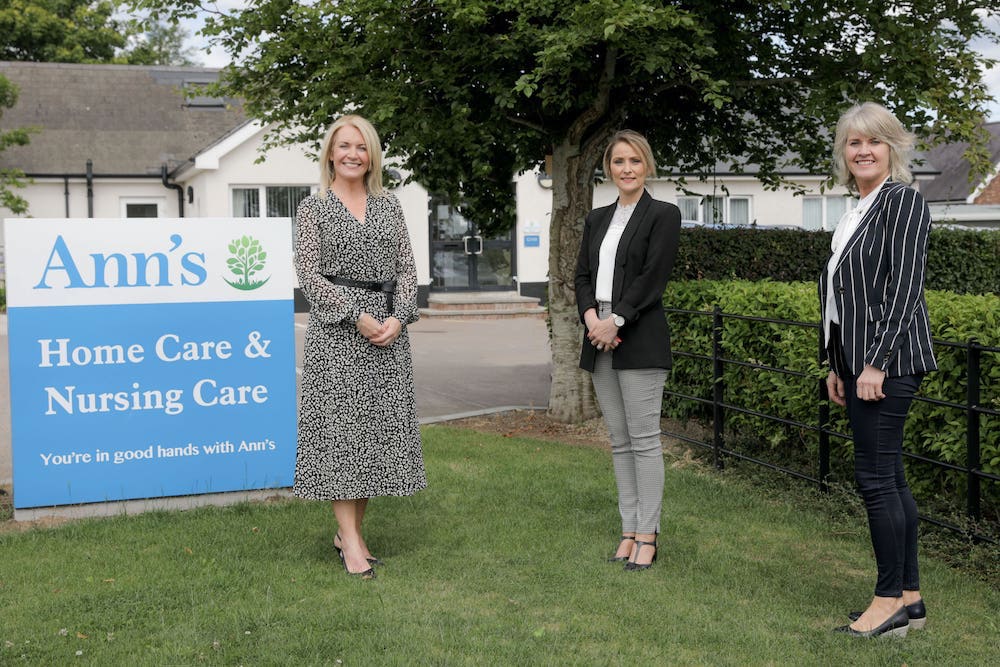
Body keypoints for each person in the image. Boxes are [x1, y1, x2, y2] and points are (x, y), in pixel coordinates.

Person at [293, 114, 427, 580]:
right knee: (341, 438)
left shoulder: (389, 206)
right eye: (344, 145)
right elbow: (309, 275)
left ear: (372, 155)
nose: (353, 154)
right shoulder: (313, 209)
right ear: (330, 152)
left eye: (362, 147)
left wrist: (398, 316)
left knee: (370, 440)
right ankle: (350, 541)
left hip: (388, 336)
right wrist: (357, 314)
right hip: (337, 338)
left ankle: (347, 533)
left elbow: (408, 270)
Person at [821, 102, 937, 637]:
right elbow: (843, 297)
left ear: (893, 148)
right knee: (890, 475)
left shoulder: (903, 201)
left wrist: (876, 363)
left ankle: (887, 598)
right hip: (859, 363)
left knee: (874, 479)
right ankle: (909, 595)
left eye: (874, 141)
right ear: (844, 153)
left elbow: (904, 290)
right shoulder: (857, 208)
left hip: (887, 364)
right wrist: (837, 363)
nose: (863, 150)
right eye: (853, 142)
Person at [574, 129, 682, 571]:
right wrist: (591, 321)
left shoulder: (664, 214)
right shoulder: (597, 218)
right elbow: (580, 276)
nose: (627, 169)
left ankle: (648, 534)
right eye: (619, 161)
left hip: (637, 335)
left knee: (643, 440)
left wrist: (614, 321)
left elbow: (652, 279)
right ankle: (627, 530)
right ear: (609, 168)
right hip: (597, 332)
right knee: (619, 442)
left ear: (647, 165)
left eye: (635, 161)